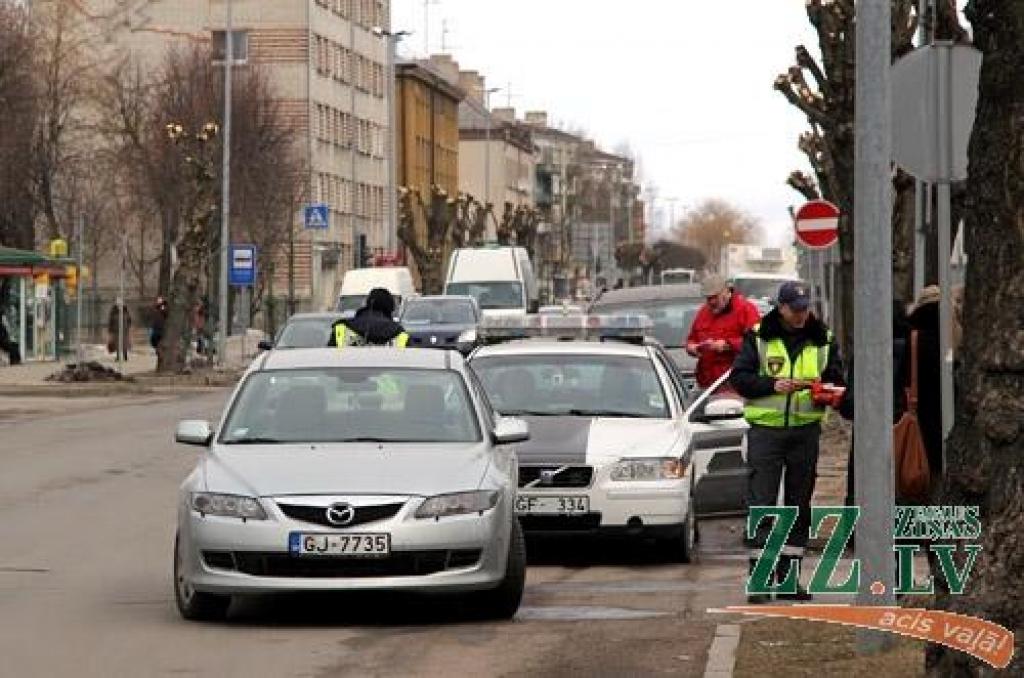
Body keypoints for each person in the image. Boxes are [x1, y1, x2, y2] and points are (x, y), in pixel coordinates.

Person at [730, 281, 844, 603]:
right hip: (766, 431)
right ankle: (760, 578)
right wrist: (772, 385)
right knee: (762, 504)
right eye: (794, 309)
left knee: (798, 505)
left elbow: (837, 380)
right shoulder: (758, 336)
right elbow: (740, 378)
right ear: (780, 308)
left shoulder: (823, 338)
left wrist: (825, 391)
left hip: (805, 432)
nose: (800, 314)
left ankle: (789, 579)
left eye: (804, 308)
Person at [686, 274, 761, 389]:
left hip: (734, 386)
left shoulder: (746, 310)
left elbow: (757, 343)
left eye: (715, 297)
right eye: (708, 298)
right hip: (705, 385)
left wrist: (728, 345)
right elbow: (691, 339)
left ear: (726, 291)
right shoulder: (703, 312)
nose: (711, 302)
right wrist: (692, 348)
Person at [328, 287, 409, 348]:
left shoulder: (342, 328)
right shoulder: (398, 332)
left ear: (367, 304)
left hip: (347, 370)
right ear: (391, 308)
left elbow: (329, 361)